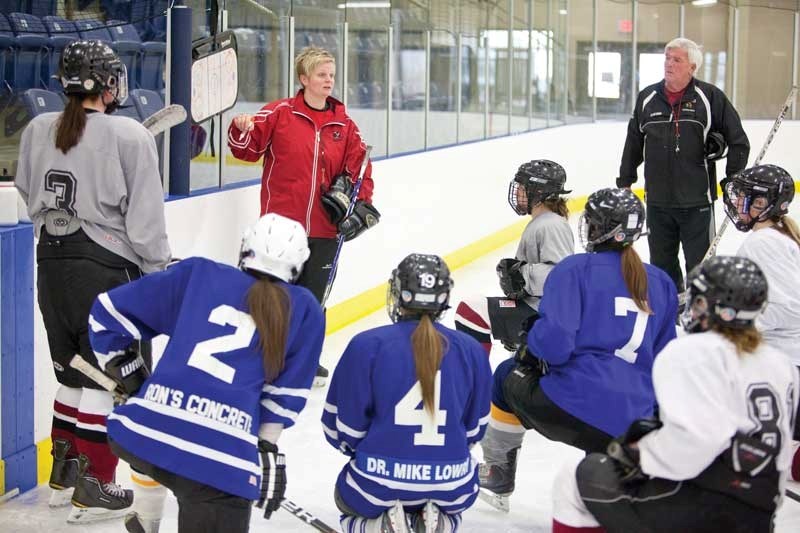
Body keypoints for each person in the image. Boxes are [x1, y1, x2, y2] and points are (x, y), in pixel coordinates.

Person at [86, 213, 325, 533]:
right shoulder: (304, 308)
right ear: (298, 268)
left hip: (140, 435)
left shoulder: (198, 272)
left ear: (244, 248)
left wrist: (131, 377)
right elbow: (283, 399)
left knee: (163, 449)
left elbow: (106, 314)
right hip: (218, 469)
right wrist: (265, 448)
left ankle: (147, 518)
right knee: (200, 477)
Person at [15, 40, 171, 523]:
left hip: (51, 264)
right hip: (104, 272)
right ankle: (96, 483)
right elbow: (146, 223)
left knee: (71, 374)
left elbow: (26, 189)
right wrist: (157, 272)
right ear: (108, 85)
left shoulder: (38, 127)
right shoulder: (128, 135)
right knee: (108, 378)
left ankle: (62, 478)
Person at [552, 255, 800, 533]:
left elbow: (696, 444)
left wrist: (637, 455)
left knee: (576, 476)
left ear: (713, 307)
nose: (694, 308)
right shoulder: (781, 364)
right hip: (761, 513)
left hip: (704, 505)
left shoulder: (691, 352)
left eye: (699, 300)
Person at [479, 188, 677, 510]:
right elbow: (668, 364)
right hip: (636, 425)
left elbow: (554, 346)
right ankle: (607, 485)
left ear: (598, 228)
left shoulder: (574, 269)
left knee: (505, 375)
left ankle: (498, 473)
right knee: (604, 422)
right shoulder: (661, 282)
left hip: (574, 404)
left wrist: (532, 339)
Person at [228, 46, 379, 382]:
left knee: (314, 300)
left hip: (325, 229)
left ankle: (305, 360)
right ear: (304, 78)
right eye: (322, 75)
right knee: (274, 295)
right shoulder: (278, 114)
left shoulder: (345, 126)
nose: (329, 81)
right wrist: (240, 129)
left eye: (332, 75)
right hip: (280, 231)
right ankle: (265, 356)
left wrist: (361, 205)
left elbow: (360, 171)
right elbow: (246, 152)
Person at [322, 253, 492, 533]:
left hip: (375, 485)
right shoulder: (471, 349)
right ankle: (443, 522)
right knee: (454, 498)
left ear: (398, 294)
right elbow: (475, 431)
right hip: (452, 485)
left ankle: (377, 526)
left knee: (348, 501)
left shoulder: (366, 345)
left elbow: (341, 431)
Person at [618, 37, 750, 298]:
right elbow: (633, 141)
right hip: (657, 202)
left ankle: (701, 315)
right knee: (662, 267)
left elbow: (738, 141)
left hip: (697, 202)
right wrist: (625, 180)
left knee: (700, 268)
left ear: (692, 66)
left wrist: (732, 180)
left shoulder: (710, 97)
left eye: (676, 59)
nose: (669, 63)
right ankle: (671, 314)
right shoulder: (648, 98)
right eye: (667, 58)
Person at [721, 163, 800, 484]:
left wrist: (728, 325)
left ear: (763, 204)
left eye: (745, 199)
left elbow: (789, 307)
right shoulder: (780, 235)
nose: (737, 205)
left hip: (786, 369)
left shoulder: (764, 241)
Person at [454, 159, 574, 354]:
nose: (517, 192)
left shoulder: (551, 224)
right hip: (535, 309)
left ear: (538, 192)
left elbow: (561, 277)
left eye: (522, 188)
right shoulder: (543, 222)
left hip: (541, 315)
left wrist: (522, 274)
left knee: (471, 311)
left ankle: (476, 378)